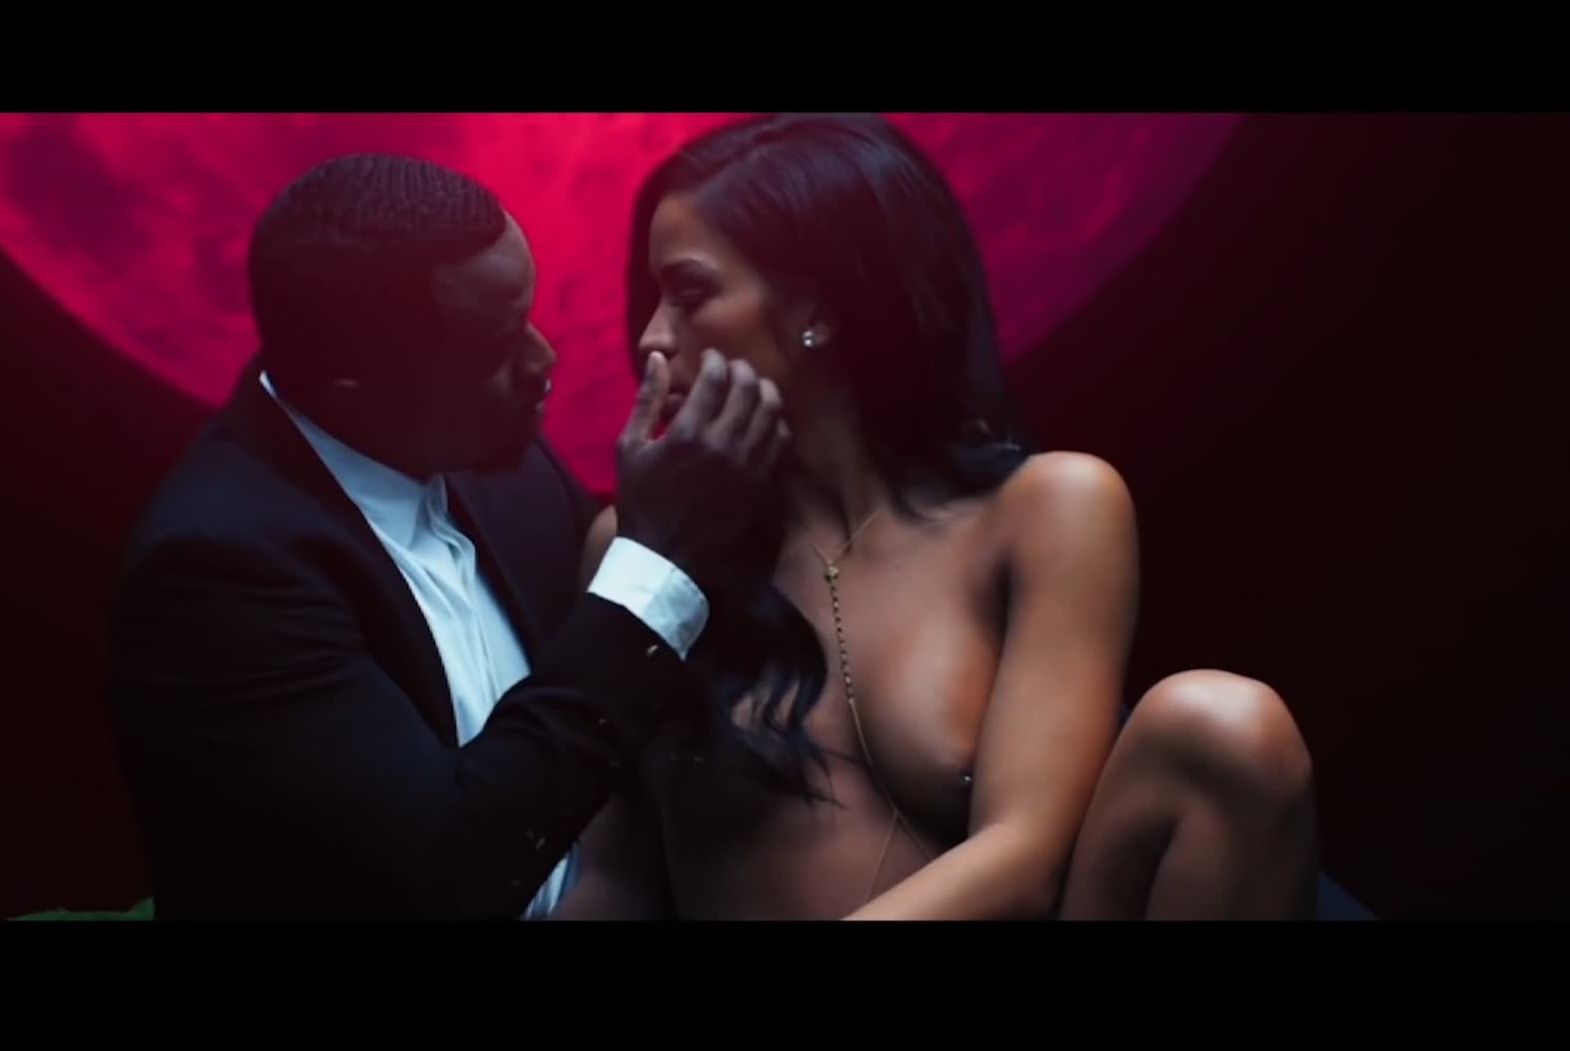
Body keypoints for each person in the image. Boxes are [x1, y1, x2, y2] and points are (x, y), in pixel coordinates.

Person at [551, 113, 1322, 920]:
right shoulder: (641, 551)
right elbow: (615, 876)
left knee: (1225, 726)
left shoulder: (1043, 510)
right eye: (653, 298)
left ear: (816, 304)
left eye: (690, 293)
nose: (652, 338)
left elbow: (1025, 852)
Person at [102, 153, 791, 919]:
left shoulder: (495, 457)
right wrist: (655, 559)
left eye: (528, 317)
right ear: (352, 382)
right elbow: (446, 873)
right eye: (495, 347)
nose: (544, 360)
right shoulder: (218, 575)